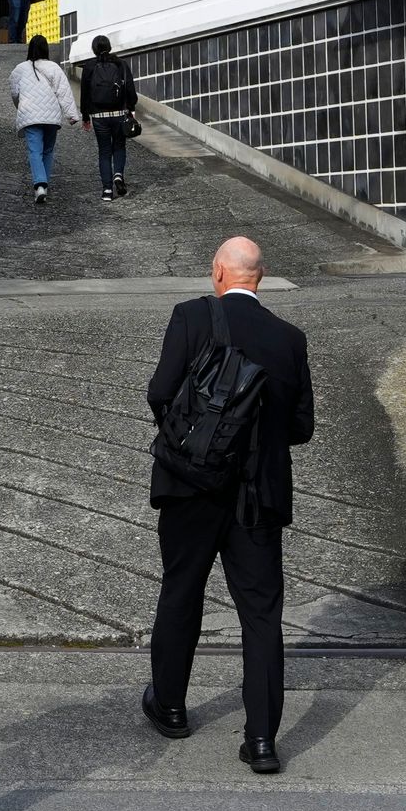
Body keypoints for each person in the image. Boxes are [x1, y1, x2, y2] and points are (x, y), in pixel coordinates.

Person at [142, 236, 316, 773]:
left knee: (182, 590)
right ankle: (261, 740)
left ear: (220, 272)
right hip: (258, 495)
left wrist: (199, 440)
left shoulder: (192, 317)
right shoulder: (290, 338)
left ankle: (170, 706)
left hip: (191, 487)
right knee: (261, 616)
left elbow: (159, 390)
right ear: (259, 277)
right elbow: (302, 427)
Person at [8, 33, 82, 205]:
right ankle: (44, 185)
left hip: (30, 116)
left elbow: (14, 92)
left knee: (35, 151)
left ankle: (40, 185)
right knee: (48, 151)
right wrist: (72, 115)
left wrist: (20, 106)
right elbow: (64, 93)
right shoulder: (54, 68)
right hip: (51, 117)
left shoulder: (19, 69)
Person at [76, 33, 141, 201]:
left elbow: (85, 94)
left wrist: (85, 116)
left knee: (104, 151)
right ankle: (118, 175)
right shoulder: (121, 65)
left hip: (99, 116)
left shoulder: (89, 67)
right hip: (119, 114)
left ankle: (107, 191)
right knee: (119, 146)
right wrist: (131, 108)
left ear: (94, 49)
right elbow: (130, 91)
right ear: (109, 47)